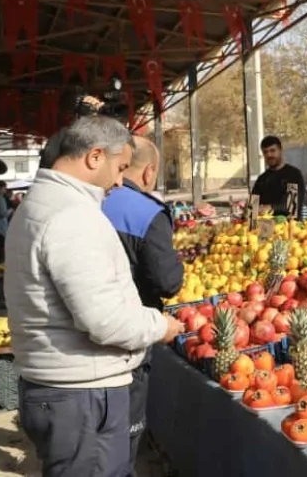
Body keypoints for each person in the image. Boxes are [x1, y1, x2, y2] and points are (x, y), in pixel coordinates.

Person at [3, 116, 184, 477]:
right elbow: (105, 321)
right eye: (118, 169)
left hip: (61, 389)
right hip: (83, 396)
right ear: (94, 156)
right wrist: (159, 325)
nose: (120, 181)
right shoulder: (71, 216)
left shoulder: (39, 204)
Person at [102, 135, 184, 475]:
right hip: (129, 338)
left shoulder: (91, 202)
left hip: (82, 340)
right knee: (124, 438)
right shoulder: (147, 213)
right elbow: (167, 282)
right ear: (149, 172)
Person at [251, 135, 307, 219]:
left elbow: (292, 206)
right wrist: (248, 211)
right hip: (264, 229)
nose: (269, 155)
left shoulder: (293, 174)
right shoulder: (262, 179)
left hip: (289, 228)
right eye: (265, 152)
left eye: (272, 150)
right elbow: (252, 208)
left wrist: (271, 207)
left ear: (281, 150)